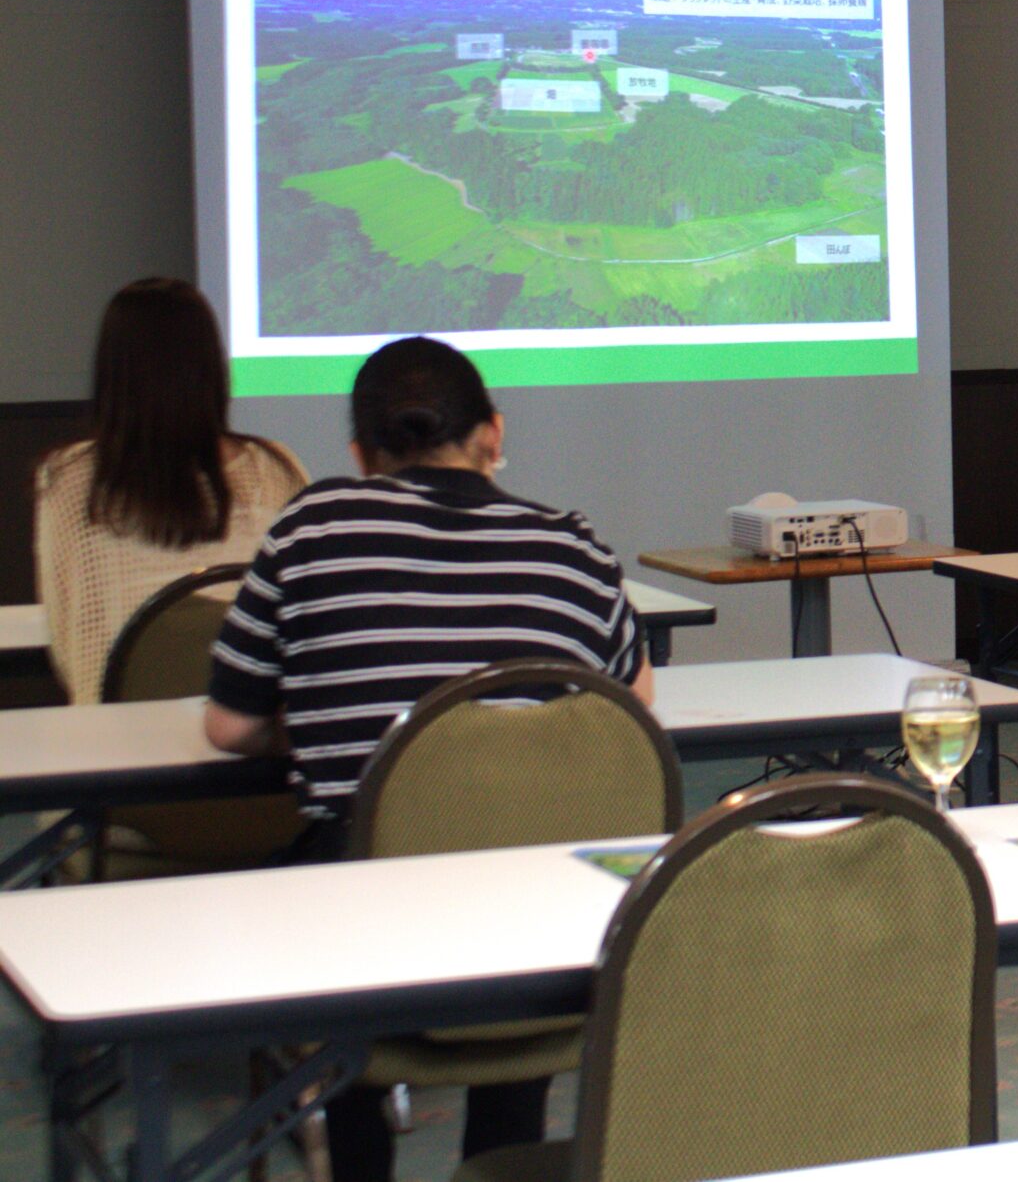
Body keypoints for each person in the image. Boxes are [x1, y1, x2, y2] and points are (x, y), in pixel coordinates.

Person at [204, 335, 650, 1182]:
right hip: (545, 929)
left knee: (303, 888)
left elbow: (228, 726)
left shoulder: (313, 525)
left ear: (360, 454)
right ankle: (500, 1156)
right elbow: (629, 714)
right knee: (523, 850)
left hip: (367, 936)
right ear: (493, 432)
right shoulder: (575, 547)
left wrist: (328, 716)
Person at [33, 279, 306, 705]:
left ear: (111, 372)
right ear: (211, 367)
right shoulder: (274, 470)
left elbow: (71, 645)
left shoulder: (67, 481)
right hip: (250, 747)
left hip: (118, 749)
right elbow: (301, 624)